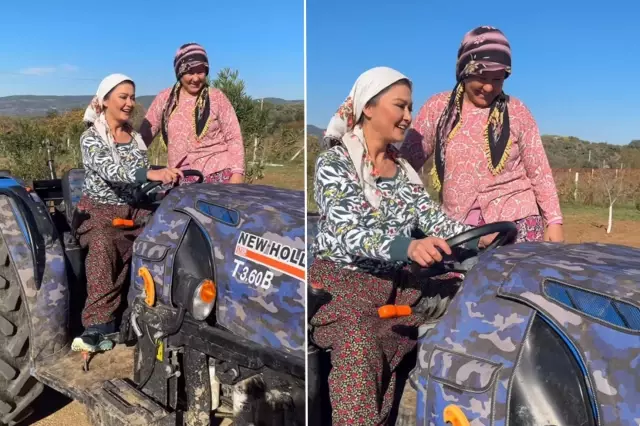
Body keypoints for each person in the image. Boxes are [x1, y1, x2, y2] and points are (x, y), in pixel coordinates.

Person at [310, 67, 470, 425]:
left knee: (475, 300)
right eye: (400, 106)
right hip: (342, 290)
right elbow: (348, 230)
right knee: (359, 343)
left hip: (398, 288)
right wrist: (408, 248)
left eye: (410, 107)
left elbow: (436, 221)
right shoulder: (335, 163)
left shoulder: (405, 172)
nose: (408, 116)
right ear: (368, 107)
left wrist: (482, 237)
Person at [402, 26, 564, 243]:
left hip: (517, 224)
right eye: (482, 77)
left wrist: (554, 221)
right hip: (459, 227)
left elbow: (539, 171)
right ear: (464, 71)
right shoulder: (437, 108)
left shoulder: (517, 111)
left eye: (497, 79)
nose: (488, 87)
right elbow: (405, 163)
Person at [72, 74, 183, 353]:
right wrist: (150, 173)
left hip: (135, 209)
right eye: (123, 97)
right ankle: (98, 326)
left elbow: (139, 181)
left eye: (132, 97)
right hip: (99, 212)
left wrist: (163, 183)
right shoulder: (90, 138)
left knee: (172, 233)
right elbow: (112, 171)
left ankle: (167, 309)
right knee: (103, 244)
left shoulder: (134, 138)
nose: (129, 103)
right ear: (105, 101)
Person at [140, 43, 245, 184]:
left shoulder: (217, 98)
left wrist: (237, 174)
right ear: (179, 73)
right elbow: (145, 134)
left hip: (218, 175)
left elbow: (234, 138)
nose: (195, 79)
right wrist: (129, 165)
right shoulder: (164, 99)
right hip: (179, 177)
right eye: (190, 72)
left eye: (200, 72)